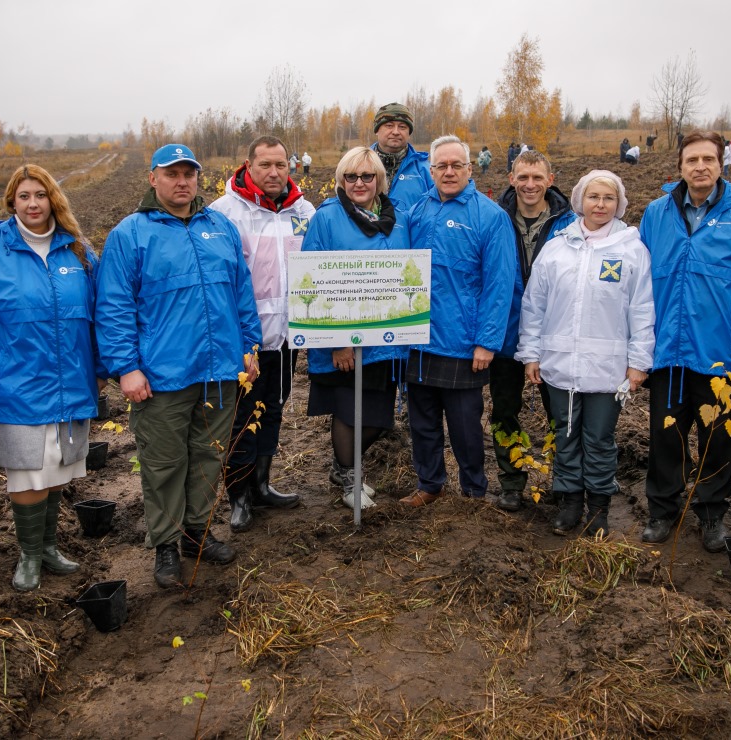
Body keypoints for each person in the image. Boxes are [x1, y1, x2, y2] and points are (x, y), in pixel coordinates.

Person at [95, 144, 261, 588]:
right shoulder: (131, 234)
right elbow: (113, 307)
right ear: (153, 178)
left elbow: (241, 292)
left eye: (189, 173)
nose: (182, 181)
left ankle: (196, 533)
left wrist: (251, 347)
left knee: (208, 457)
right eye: (172, 173)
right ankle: (166, 544)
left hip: (222, 370)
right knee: (165, 463)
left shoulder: (219, 228)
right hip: (163, 376)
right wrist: (126, 367)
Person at [0, 164, 104, 592]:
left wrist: (100, 368)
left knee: (57, 466)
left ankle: (50, 547)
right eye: (24, 197)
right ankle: (29, 555)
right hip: (15, 380)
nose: (33, 204)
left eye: (40, 195)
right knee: (27, 472)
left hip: (69, 378)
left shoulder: (75, 250)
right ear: (12, 202)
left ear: (53, 199)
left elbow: (98, 313)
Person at [638, 131, 731, 552]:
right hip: (669, 347)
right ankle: (662, 510)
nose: (700, 167)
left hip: (720, 348)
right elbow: (639, 279)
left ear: (721, 164)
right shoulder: (657, 213)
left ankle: (712, 513)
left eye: (708, 160)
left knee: (718, 435)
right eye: (691, 159)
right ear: (679, 166)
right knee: (665, 433)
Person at [517, 171, 654, 536]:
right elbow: (534, 306)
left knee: (598, 439)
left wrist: (639, 362)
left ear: (618, 203)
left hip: (607, 370)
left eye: (608, 198)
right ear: (581, 200)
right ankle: (570, 502)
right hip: (559, 365)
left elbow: (642, 310)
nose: (600, 205)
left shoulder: (631, 250)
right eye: (593, 197)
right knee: (565, 435)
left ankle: (599, 508)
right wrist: (531, 354)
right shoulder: (558, 247)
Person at [402, 135, 516, 506]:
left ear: (470, 169)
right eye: (441, 166)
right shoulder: (417, 211)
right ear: (430, 170)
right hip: (418, 337)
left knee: (466, 425)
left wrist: (487, 341)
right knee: (422, 421)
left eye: (456, 166)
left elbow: (501, 284)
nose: (448, 172)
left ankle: (473, 490)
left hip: (464, 342)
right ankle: (429, 484)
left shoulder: (490, 217)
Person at [211, 136, 314, 532]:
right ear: (248, 166)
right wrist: (237, 340)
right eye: (265, 165)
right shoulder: (225, 213)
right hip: (244, 339)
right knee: (240, 417)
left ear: (290, 167)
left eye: (281, 166)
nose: (274, 173)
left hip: (288, 339)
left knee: (272, 410)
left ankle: (262, 484)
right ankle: (237, 495)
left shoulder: (304, 210)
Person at [301, 147, 410, 508]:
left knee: (378, 416)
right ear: (340, 181)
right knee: (350, 411)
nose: (359, 183)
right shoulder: (327, 219)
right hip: (344, 341)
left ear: (380, 180)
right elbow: (311, 281)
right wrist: (338, 341)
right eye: (351, 176)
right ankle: (350, 479)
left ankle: (343, 466)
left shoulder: (399, 218)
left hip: (385, 338)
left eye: (367, 176)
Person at [490, 149, 576, 511]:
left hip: (553, 334)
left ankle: (563, 479)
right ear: (512, 179)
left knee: (560, 412)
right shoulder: (494, 218)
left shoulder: (570, 223)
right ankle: (512, 481)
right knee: (505, 411)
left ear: (549, 180)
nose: (529, 184)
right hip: (507, 332)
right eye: (522, 177)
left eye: (537, 177)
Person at [370, 102, 434, 212]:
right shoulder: (358, 165)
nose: (395, 132)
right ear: (377, 130)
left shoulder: (426, 171)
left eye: (402, 127)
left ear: (409, 132)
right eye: (389, 126)